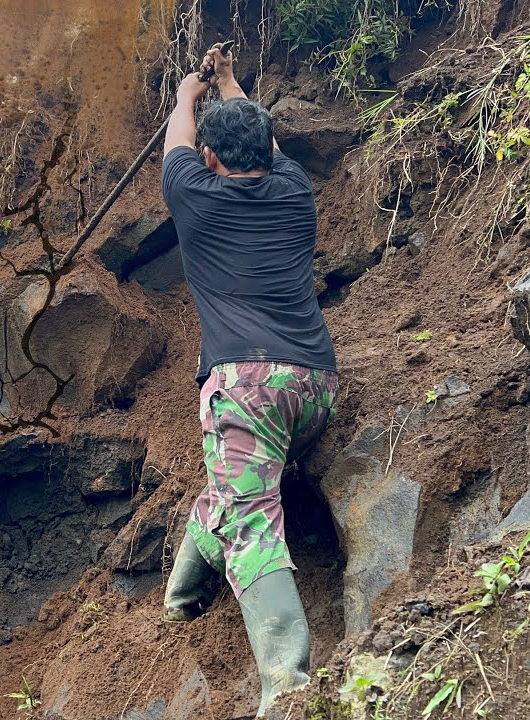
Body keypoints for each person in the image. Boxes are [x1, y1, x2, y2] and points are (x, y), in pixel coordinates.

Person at [159, 43, 340, 720]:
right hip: (316, 386)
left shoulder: (193, 197)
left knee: (250, 520)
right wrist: (231, 83)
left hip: (247, 389)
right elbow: (257, 133)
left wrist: (186, 96)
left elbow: (178, 143)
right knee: (234, 484)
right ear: (270, 147)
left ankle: (291, 687)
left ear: (210, 160)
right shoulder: (295, 191)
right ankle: (181, 597)